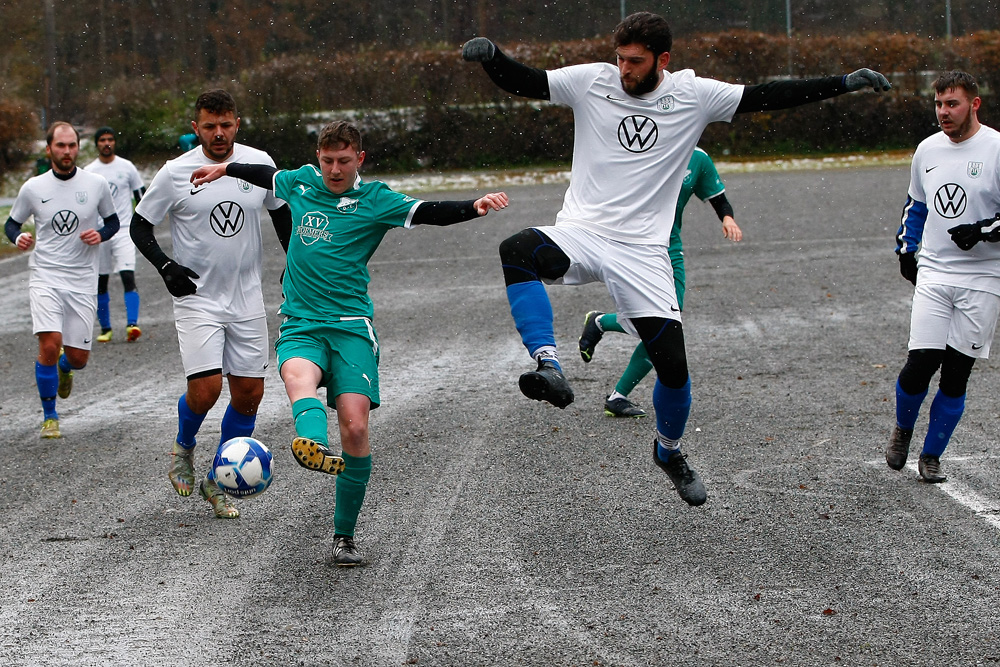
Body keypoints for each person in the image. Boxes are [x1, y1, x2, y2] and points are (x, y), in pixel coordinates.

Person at [462, 11, 890, 506]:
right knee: (517, 249)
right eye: (620, 58)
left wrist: (843, 82)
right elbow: (527, 81)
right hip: (582, 230)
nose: (624, 69)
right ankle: (549, 365)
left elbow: (768, 94)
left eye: (636, 62)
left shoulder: (693, 94)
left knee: (673, 370)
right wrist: (493, 58)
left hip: (645, 251)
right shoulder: (590, 82)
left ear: (662, 60)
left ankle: (668, 451)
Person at [190, 120, 509, 565]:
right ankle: (311, 444)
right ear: (317, 158)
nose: (334, 170)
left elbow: (427, 210)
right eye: (327, 161)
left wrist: (473, 206)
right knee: (298, 376)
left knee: (356, 427)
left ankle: (344, 536)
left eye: (343, 161)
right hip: (301, 321)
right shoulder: (301, 182)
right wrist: (225, 171)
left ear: (359, 159)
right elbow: (266, 176)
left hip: (352, 325)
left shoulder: (375, 200)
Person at [131, 89, 293, 519]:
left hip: (246, 298)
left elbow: (281, 212)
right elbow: (139, 225)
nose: (218, 133)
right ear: (195, 128)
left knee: (249, 396)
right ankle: (183, 449)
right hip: (197, 298)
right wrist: (166, 267)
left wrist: (295, 263)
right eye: (209, 126)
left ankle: (217, 479)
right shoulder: (173, 173)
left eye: (225, 125)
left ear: (237, 123)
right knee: (206, 390)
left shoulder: (259, 164)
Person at [887, 71, 1000, 483]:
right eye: (938, 104)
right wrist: (906, 249)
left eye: (952, 104)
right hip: (935, 270)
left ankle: (931, 456)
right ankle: (902, 430)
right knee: (920, 362)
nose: (943, 112)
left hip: (985, 276)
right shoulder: (927, 150)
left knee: (956, 373)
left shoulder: (996, 148)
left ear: (974, 104)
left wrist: (984, 230)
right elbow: (915, 205)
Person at [578, 147, 742, 418]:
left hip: (670, 247)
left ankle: (602, 332)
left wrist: (727, 217)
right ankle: (616, 388)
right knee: (656, 326)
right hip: (635, 246)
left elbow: (718, 198)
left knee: (667, 323)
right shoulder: (646, 149)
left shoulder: (697, 158)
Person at [4, 122, 119, 438]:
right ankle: (50, 416)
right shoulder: (33, 188)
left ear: (77, 148)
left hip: (82, 278)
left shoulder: (95, 184)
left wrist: (101, 233)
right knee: (49, 344)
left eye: (71, 146)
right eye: (60, 146)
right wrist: (19, 239)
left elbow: (113, 222)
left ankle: (66, 369)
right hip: (45, 276)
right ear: (49, 149)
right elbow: (11, 225)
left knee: (78, 359)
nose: (66, 152)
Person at [84, 126, 146, 343]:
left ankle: (132, 325)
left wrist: (145, 221)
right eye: (102, 140)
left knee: (127, 275)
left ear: (114, 142)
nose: (107, 143)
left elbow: (141, 195)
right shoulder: (89, 171)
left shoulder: (126, 167)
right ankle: (105, 328)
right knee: (101, 280)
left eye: (110, 139)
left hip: (123, 230)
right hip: (100, 233)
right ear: (97, 144)